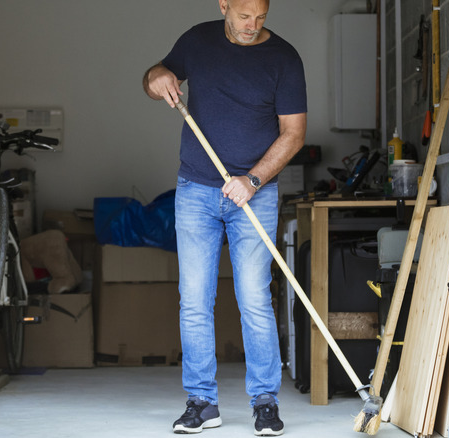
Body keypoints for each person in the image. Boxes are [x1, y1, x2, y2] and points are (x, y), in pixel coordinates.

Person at [143, 0, 306, 435]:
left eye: (260, 17)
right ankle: (202, 402)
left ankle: (265, 402)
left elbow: (294, 134)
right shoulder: (197, 41)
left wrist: (252, 180)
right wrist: (156, 77)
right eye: (243, 16)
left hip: (256, 194)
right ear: (223, 5)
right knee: (195, 300)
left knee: (254, 297)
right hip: (196, 189)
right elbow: (156, 77)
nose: (252, 25)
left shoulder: (284, 58)